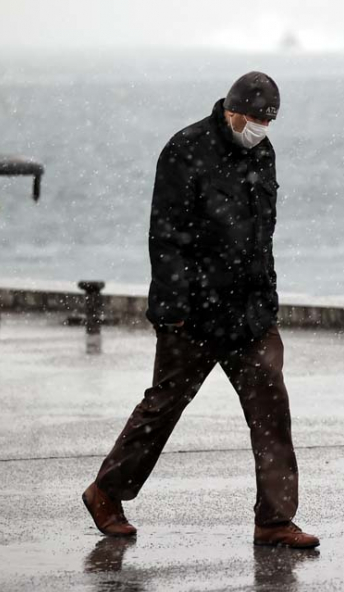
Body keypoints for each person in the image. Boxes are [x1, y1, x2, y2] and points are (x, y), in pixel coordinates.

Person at [82, 72, 319, 549]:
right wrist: (173, 310)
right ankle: (105, 492)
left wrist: (267, 299)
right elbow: (166, 236)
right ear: (230, 110)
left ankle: (274, 520)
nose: (258, 128)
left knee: (272, 410)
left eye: (267, 121)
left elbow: (262, 235)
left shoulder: (262, 152)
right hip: (194, 313)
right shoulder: (185, 149)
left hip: (250, 313)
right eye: (252, 118)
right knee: (164, 405)